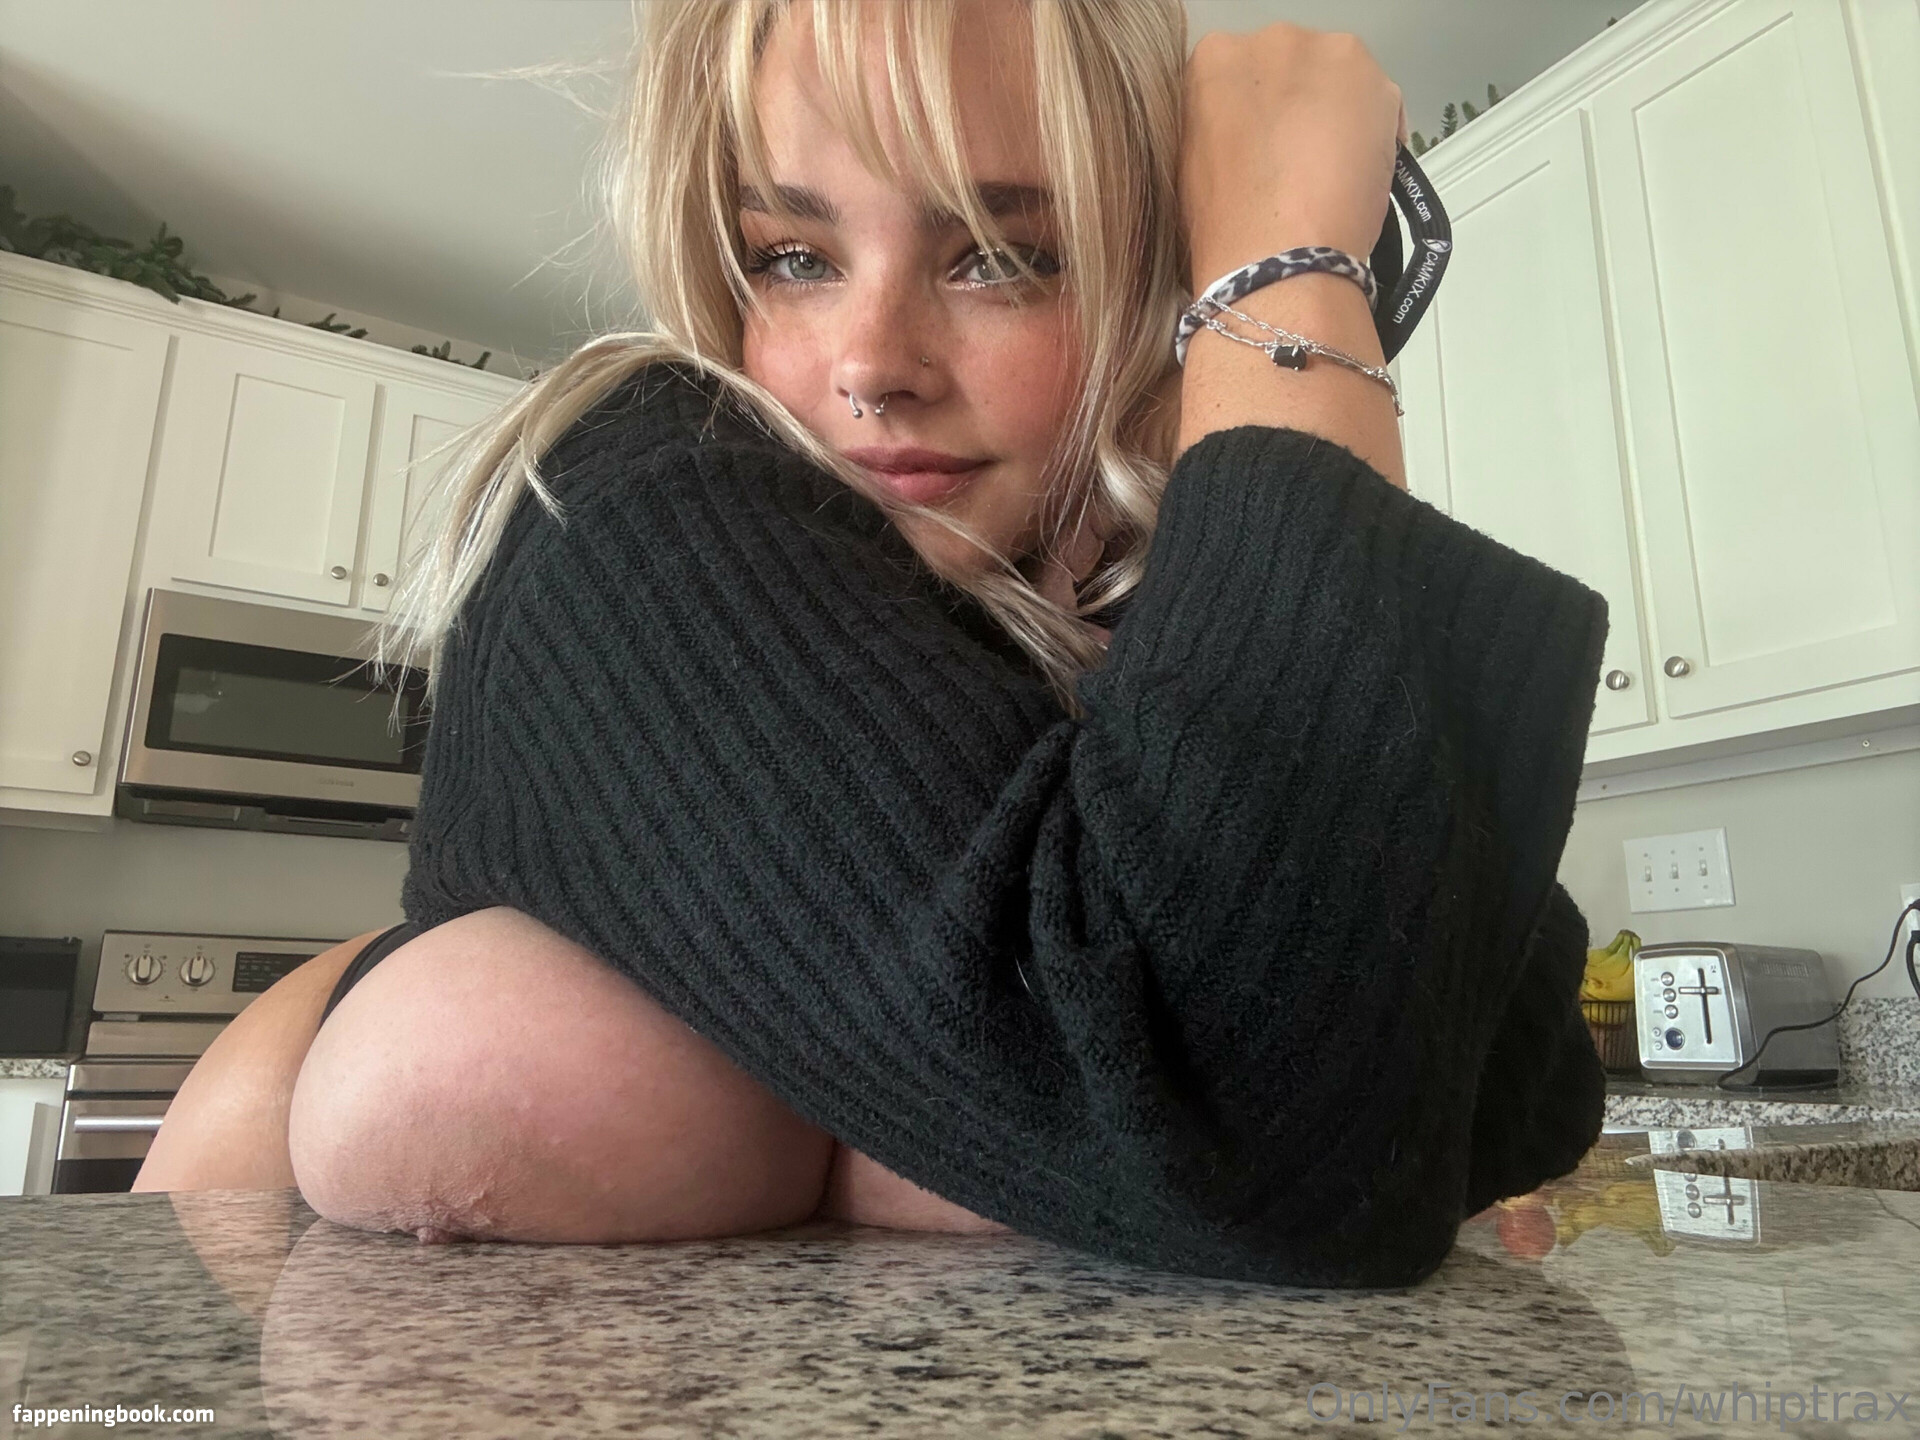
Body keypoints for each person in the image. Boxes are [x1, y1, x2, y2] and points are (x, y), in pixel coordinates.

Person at [136, 0, 1610, 1289]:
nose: (871, 364)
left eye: (1002, 258)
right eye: (792, 256)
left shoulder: (1123, 595)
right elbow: (1280, 1135)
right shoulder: (636, 489)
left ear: (1147, 286)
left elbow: (1510, 1077)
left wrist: (1228, 437)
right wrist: (1292, 286)